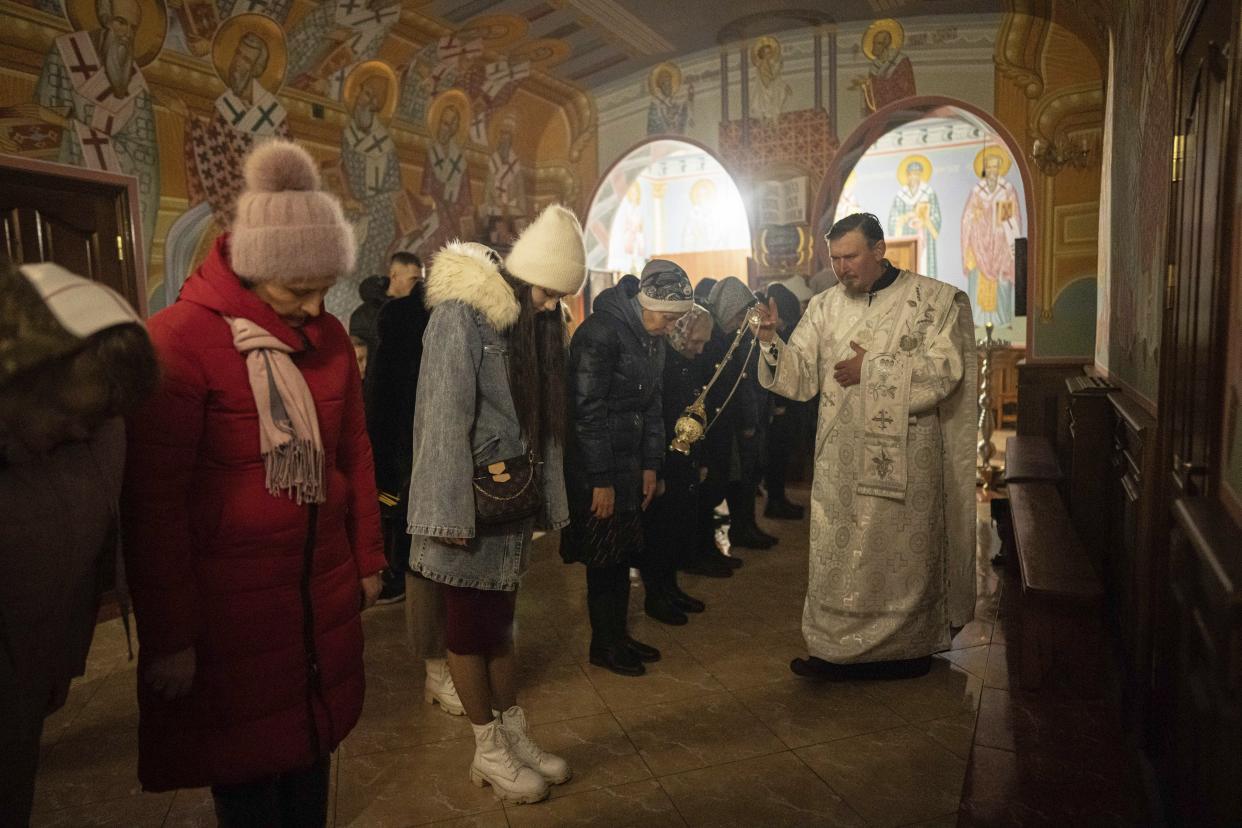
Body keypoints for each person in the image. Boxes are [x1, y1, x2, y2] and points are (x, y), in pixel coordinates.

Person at [123, 141, 387, 825]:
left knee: (310, 758)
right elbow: (154, 507)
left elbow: (353, 453)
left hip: (320, 590)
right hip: (227, 610)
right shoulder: (179, 341)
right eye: (296, 289)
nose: (313, 307)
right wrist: (171, 636)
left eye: (323, 287)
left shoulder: (327, 339)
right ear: (256, 267)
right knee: (246, 776)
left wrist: (367, 558)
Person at [407, 204, 584, 804]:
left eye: (559, 296)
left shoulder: (538, 320)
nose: (549, 304)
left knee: (502, 630)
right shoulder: (463, 315)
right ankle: (486, 751)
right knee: (469, 630)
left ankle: (512, 736)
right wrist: (444, 511)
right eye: (544, 291)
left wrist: (547, 506)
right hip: (470, 506)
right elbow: (441, 416)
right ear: (521, 275)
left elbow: (542, 422)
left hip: (510, 505)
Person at [754, 212, 976, 681]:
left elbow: (946, 371)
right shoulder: (825, 306)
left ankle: (908, 647)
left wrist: (871, 370)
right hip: (839, 460)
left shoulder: (934, 301)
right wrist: (772, 340)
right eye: (835, 259)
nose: (841, 269)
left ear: (878, 250)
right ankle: (833, 648)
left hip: (909, 458)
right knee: (839, 557)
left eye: (850, 257)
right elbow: (800, 376)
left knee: (901, 558)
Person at [0, 258, 157, 826]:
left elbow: (87, 550)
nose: (83, 433)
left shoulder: (99, 425)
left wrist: (57, 664)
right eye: (71, 416)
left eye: (102, 418)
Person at [563, 260, 693, 676]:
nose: (671, 326)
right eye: (667, 317)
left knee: (621, 553)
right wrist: (600, 480)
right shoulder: (600, 333)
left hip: (631, 462)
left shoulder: (650, 336)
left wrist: (651, 466)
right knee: (604, 558)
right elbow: (585, 412)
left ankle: (618, 636)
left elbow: (653, 406)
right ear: (645, 304)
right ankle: (604, 644)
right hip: (598, 466)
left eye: (677, 319)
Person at [362, 252, 464, 716]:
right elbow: (382, 403)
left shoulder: (468, 317)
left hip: (444, 461)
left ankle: (453, 668)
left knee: (450, 567)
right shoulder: (403, 318)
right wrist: (389, 485)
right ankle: (436, 671)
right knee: (423, 566)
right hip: (415, 463)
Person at [638, 303, 714, 625]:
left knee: (676, 528)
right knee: (658, 532)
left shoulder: (686, 363)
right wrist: (661, 467)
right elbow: (658, 417)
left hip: (683, 458)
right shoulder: (663, 363)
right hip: (664, 460)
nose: (700, 349)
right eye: (695, 341)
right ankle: (656, 595)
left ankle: (670, 588)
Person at [702, 277, 777, 552]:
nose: (742, 320)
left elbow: (751, 380)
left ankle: (746, 527)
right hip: (721, 424)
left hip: (742, 419)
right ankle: (720, 540)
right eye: (737, 314)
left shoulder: (741, 337)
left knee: (746, 476)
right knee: (723, 480)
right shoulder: (711, 338)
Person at [762, 282, 806, 520]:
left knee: (781, 455)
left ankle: (779, 499)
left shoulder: (786, 333)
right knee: (776, 457)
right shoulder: (773, 335)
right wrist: (776, 404)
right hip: (779, 407)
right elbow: (773, 371)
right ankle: (775, 502)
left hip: (787, 405)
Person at [349, 251, 421, 359]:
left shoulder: (419, 313)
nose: (419, 286)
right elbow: (358, 360)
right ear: (394, 276)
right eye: (413, 279)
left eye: (421, 281)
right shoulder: (364, 315)